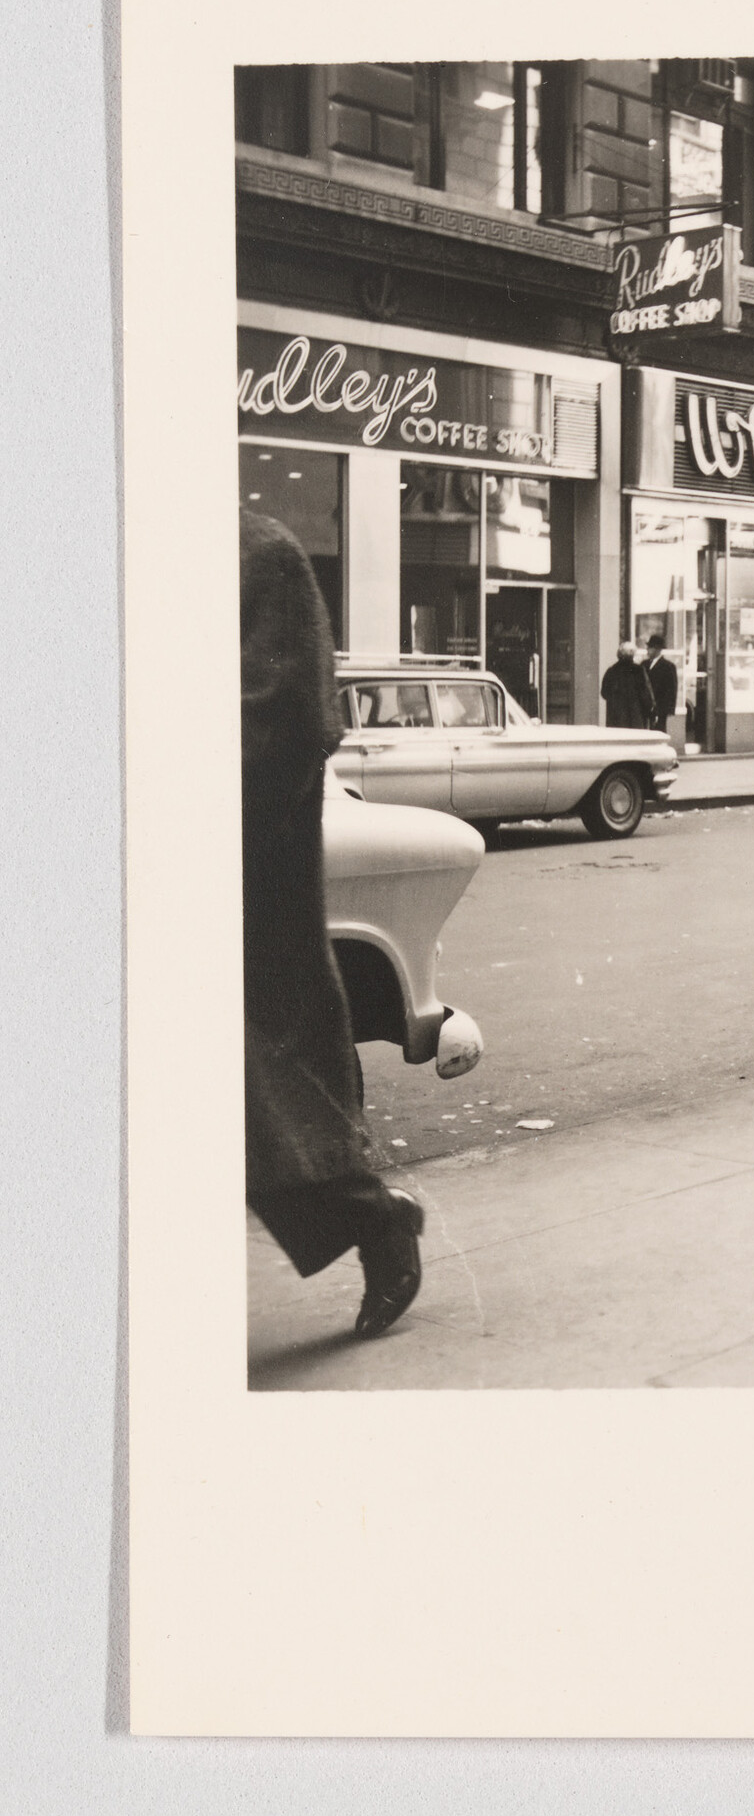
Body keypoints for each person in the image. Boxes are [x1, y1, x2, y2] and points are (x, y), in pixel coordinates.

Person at [240, 508, 424, 1338]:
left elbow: (286, 726)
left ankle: (373, 1218)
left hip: (239, 878)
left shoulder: (260, 554)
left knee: (259, 1088)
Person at [600, 640, 657, 730]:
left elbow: (604, 693)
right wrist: (650, 711)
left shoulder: (611, 671)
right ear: (632, 655)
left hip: (615, 719)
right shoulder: (638, 671)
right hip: (635, 719)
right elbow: (646, 695)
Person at [642, 632, 679, 727]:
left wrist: (669, 709)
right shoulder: (644, 665)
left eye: (650, 647)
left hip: (660, 707)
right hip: (645, 706)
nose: (647, 650)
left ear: (657, 649)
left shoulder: (668, 667)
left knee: (659, 730)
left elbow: (672, 689)